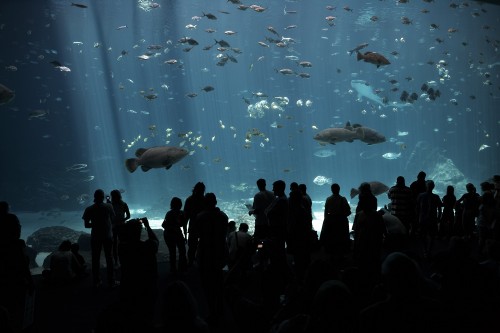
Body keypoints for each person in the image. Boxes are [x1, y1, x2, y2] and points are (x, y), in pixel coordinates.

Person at [196, 193, 229, 326]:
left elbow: (198, 234)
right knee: (219, 281)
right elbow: (224, 234)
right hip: (220, 252)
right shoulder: (223, 216)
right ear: (215, 202)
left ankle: (211, 310)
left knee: (207, 284)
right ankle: (220, 308)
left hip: (205, 253)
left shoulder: (200, 217)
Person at [118, 217, 159, 321]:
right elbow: (155, 241)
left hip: (128, 284)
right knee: (148, 311)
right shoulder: (147, 246)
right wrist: (148, 226)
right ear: (140, 230)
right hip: (147, 284)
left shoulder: (121, 247)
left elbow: (123, 238)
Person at [82, 189, 117, 288]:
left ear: (94, 197)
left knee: (95, 259)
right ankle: (111, 281)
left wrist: (96, 224)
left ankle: (96, 281)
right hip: (108, 236)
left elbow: (86, 225)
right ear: (103, 197)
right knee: (109, 258)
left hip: (95, 237)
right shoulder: (109, 206)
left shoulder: (89, 209)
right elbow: (113, 218)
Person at [320, 183, 352, 261]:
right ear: (339, 189)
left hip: (331, 222)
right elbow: (348, 211)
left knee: (331, 239)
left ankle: (331, 256)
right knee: (341, 239)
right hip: (341, 222)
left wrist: (326, 221)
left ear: (331, 190)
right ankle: (341, 256)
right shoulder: (343, 199)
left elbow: (326, 212)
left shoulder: (328, 199)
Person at [416, 180, 443, 258]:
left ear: (426, 186)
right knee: (431, 235)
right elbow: (440, 208)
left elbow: (417, 208)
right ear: (433, 187)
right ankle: (429, 250)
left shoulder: (420, 195)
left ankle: (425, 250)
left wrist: (417, 217)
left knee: (423, 235)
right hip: (432, 219)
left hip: (423, 219)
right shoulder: (436, 197)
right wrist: (439, 217)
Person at [162, 197, 188, 273]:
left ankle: (173, 269)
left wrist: (184, 236)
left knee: (173, 252)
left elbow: (164, 225)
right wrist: (185, 236)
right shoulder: (181, 213)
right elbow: (184, 226)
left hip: (169, 234)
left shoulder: (169, 213)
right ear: (180, 205)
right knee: (181, 251)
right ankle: (181, 268)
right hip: (173, 234)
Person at [185, 182, 206, 266]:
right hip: (203, 227)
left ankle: (191, 263)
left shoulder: (189, 199)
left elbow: (186, 216)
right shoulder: (204, 200)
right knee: (203, 246)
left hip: (193, 226)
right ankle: (201, 262)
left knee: (192, 247)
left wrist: (185, 229)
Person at [110, 189, 130, 267]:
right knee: (123, 243)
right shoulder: (124, 204)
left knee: (115, 244)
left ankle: (116, 262)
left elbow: (108, 216)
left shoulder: (110, 205)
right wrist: (122, 220)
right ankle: (124, 260)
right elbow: (128, 216)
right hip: (122, 226)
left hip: (114, 226)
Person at [410, 171, 427, 236]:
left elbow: (410, 195)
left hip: (414, 204)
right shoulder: (425, 185)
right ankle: (421, 233)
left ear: (418, 176)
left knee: (414, 219)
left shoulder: (413, 184)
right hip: (423, 205)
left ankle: (413, 233)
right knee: (422, 220)